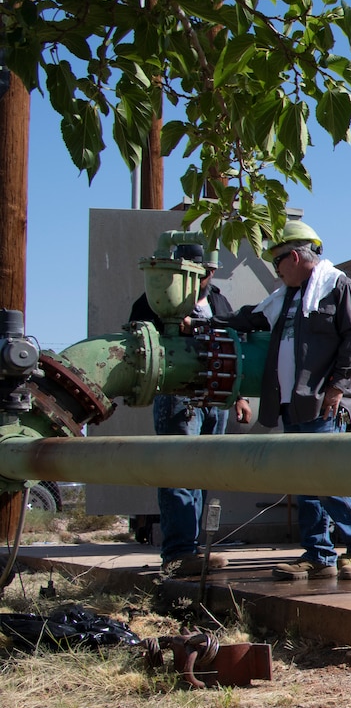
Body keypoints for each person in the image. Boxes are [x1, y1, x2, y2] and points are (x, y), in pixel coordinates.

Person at [226, 219, 351, 580]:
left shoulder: (337, 287)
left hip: (322, 402)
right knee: (305, 480)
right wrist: (209, 321)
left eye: (277, 262)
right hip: (292, 404)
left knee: (326, 476)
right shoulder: (285, 298)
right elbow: (251, 319)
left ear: (295, 256)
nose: (277, 270)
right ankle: (319, 553)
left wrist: (336, 387)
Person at [128, 244, 235, 578]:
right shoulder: (154, 300)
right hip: (177, 397)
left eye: (208, 271)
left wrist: (240, 399)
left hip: (214, 398)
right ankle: (177, 552)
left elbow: (233, 348)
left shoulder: (218, 301)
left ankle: (192, 551)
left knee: (202, 474)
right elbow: (138, 346)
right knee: (177, 472)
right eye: (198, 270)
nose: (204, 276)